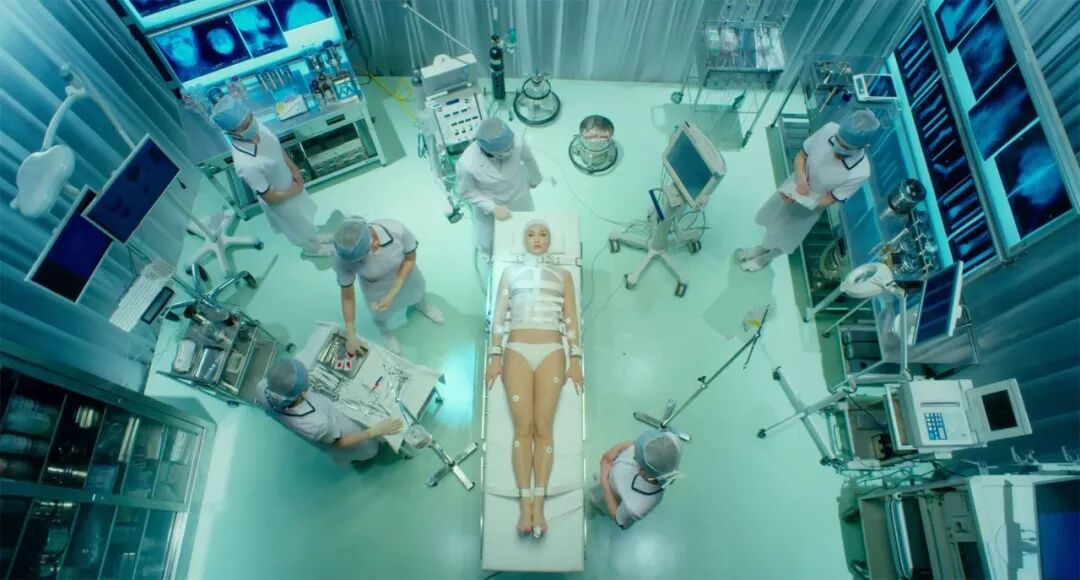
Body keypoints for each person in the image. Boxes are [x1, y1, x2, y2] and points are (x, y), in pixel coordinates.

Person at [484, 220, 584, 538]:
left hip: (552, 351)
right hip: (516, 350)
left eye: (543, 234)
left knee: (543, 428)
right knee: (522, 427)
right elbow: (499, 317)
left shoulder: (564, 276)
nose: (537, 239)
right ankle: (524, 505)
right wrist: (495, 356)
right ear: (524, 240)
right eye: (531, 234)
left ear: (550, 240)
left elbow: (571, 317)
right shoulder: (509, 273)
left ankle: (538, 506)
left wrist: (576, 358)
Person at [737, 108, 880, 272]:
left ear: (865, 146)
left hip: (811, 206)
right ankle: (762, 247)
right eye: (838, 141)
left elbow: (830, 199)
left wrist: (801, 198)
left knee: (786, 236)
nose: (838, 148)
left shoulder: (861, 171)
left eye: (846, 147)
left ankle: (765, 258)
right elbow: (802, 156)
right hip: (794, 185)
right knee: (773, 220)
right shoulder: (829, 129)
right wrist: (800, 180)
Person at [210, 96, 332, 258]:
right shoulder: (245, 164)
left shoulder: (256, 126)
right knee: (296, 228)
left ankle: (314, 237)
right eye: (245, 126)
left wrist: (294, 170)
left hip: (292, 183)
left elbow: (276, 147)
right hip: (281, 200)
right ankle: (311, 249)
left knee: (305, 219)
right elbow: (270, 197)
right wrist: (293, 191)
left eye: (250, 118)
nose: (251, 124)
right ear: (231, 133)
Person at [258, 359, 404, 465]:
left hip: (326, 428)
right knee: (367, 450)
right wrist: (375, 431)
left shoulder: (263, 387)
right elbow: (340, 443)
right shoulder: (317, 424)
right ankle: (364, 460)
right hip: (344, 438)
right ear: (302, 392)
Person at [334, 217, 444, 355]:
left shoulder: (396, 230)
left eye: (363, 257)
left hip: (406, 276)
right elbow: (347, 296)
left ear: (372, 243)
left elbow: (410, 259)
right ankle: (385, 332)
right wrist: (351, 335)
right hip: (375, 288)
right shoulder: (341, 256)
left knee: (417, 293)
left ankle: (423, 306)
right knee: (380, 315)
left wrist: (392, 293)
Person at [455, 118, 543, 256]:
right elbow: (465, 191)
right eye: (506, 149)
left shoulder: (516, 141)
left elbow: (529, 160)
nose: (512, 149)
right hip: (492, 202)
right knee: (489, 242)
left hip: (519, 195)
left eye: (511, 145)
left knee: (527, 230)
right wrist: (492, 208)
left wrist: (535, 178)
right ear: (489, 150)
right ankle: (489, 257)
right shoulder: (467, 163)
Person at [590, 429, 683, 530]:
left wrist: (604, 480)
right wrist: (617, 449)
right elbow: (635, 444)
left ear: (642, 470)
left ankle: (597, 509)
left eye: (636, 456)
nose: (633, 455)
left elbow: (617, 518)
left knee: (597, 502)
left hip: (611, 495)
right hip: (611, 471)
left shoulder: (636, 507)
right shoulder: (671, 443)